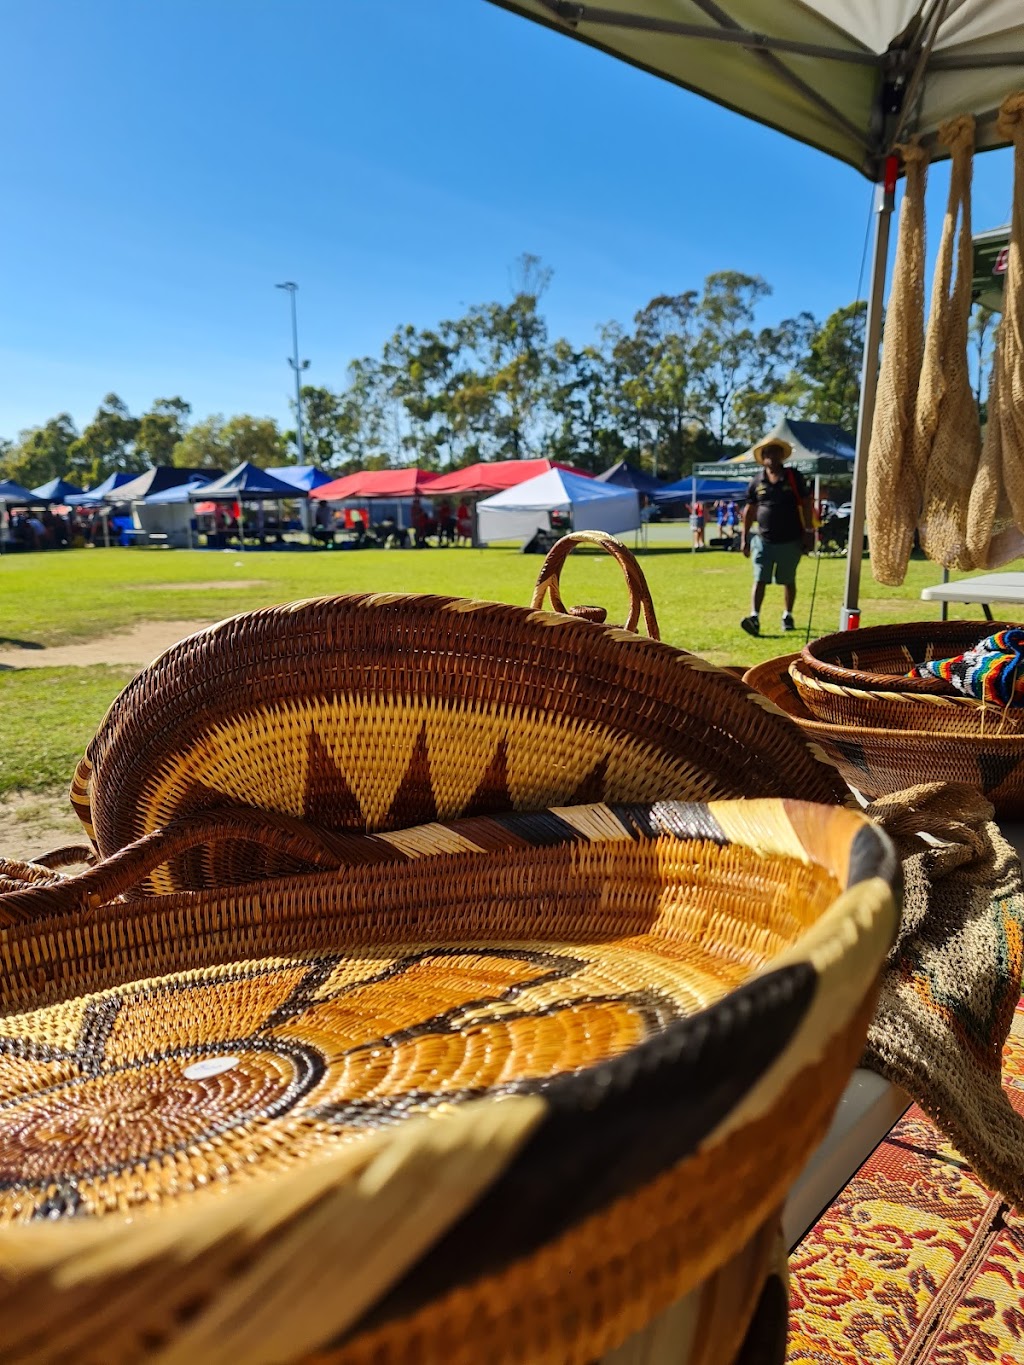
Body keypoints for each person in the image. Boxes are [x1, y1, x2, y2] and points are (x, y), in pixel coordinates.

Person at [739, 438, 814, 637]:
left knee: (788, 579)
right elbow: (749, 511)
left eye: (775, 453)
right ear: (762, 459)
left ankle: (787, 615)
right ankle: (754, 617)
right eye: (767, 454)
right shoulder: (756, 481)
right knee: (759, 577)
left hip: (791, 539)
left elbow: (807, 504)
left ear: (782, 456)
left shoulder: (793, 477)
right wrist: (744, 538)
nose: (771, 457)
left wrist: (809, 532)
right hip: (763, 540)